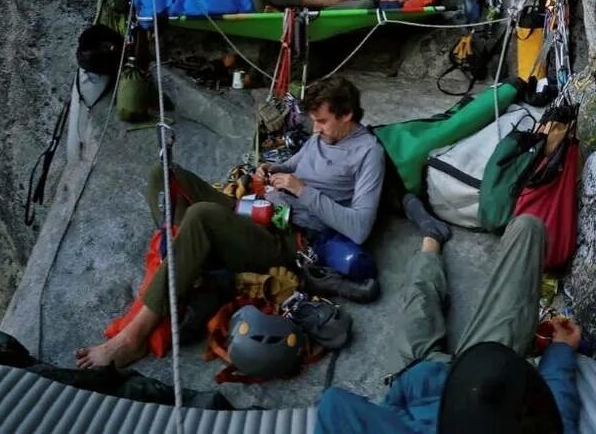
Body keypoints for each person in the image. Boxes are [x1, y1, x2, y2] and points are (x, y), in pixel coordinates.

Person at [76, 76, 384, 369]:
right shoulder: (321, 136)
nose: (315, 129)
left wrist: (302, 189)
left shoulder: (367, 154)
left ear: (346, 115)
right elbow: (295, 164)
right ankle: (189, 260)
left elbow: (359, 227)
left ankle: (134, 336)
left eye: (322, 121)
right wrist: (270, 168)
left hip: (287, 239)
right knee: (165, 175)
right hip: (259, 211)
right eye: (314, 121)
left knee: (201, 215)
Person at [316, 216, 581, 433]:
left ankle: (431, 243)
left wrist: (398, 404)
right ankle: (431, 241)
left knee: (420, 301)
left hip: (415, 378)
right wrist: (560, 351)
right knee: (528, 228)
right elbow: (556, 413)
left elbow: (334, 405)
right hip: (484, 380)